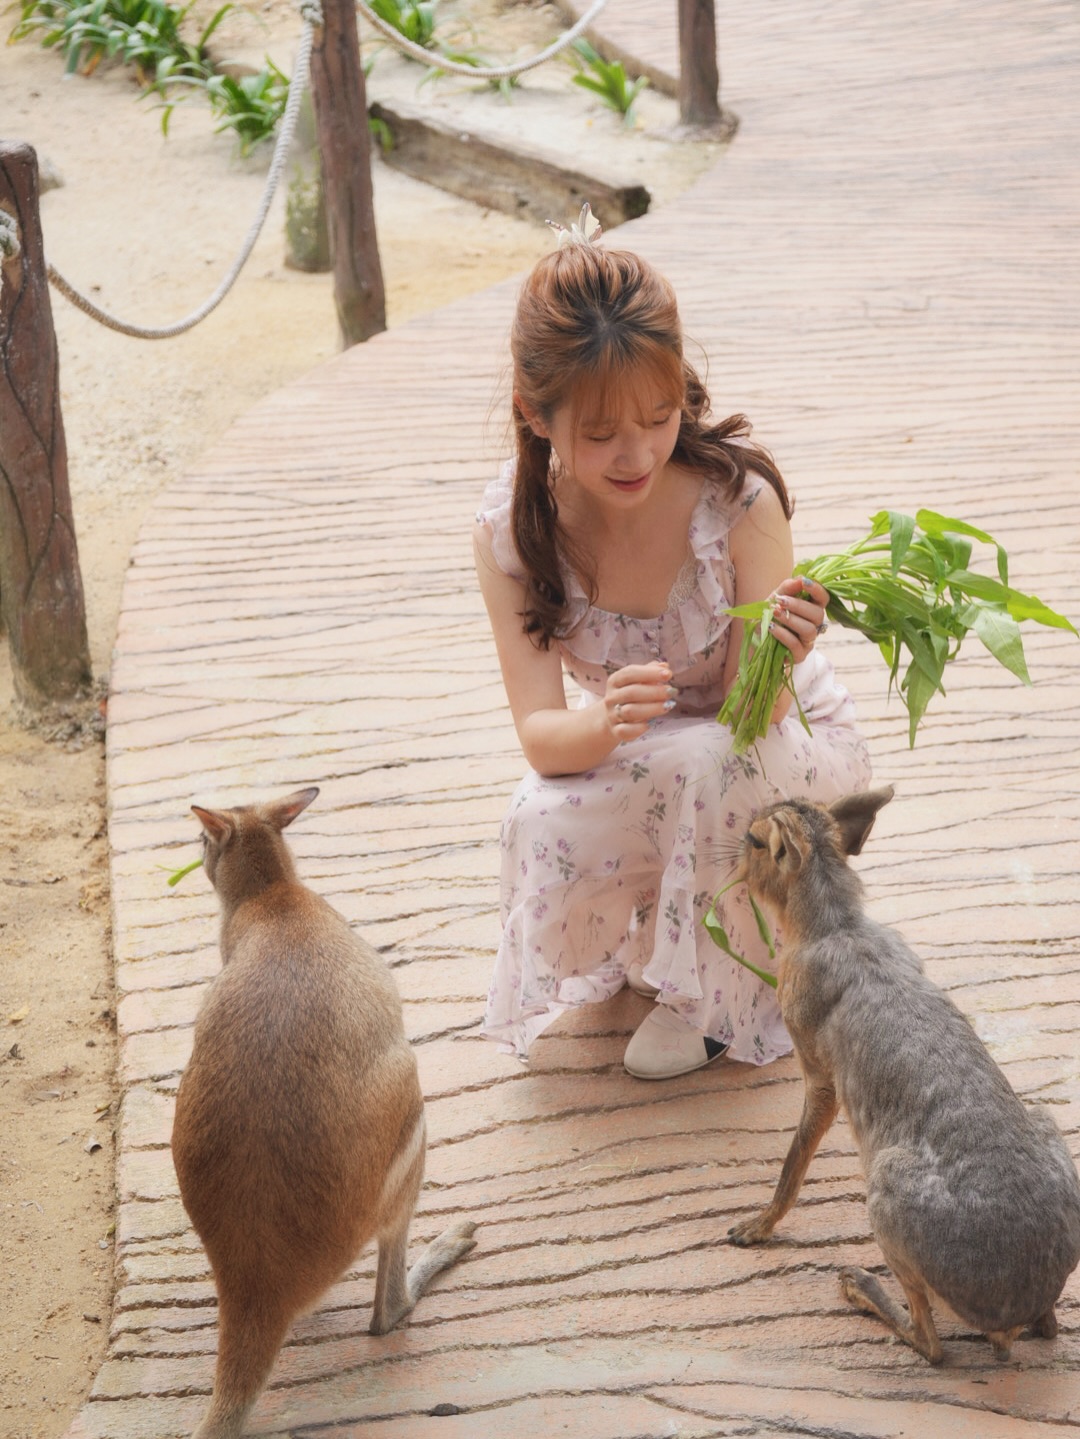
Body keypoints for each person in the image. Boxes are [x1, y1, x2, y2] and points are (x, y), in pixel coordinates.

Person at [473, 209, 872, 1081]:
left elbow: (752, 715)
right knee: (536, 814)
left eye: (657, 417)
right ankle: (660, 934)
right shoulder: (513, 528)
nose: (637, 453)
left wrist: (782, 653)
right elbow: (541, 736)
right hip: (647, 741)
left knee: (705, 756)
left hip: (774, 738)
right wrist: (605, 721)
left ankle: (715, 1002)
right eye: (601, 433)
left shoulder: (737, 499)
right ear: (535, 415)